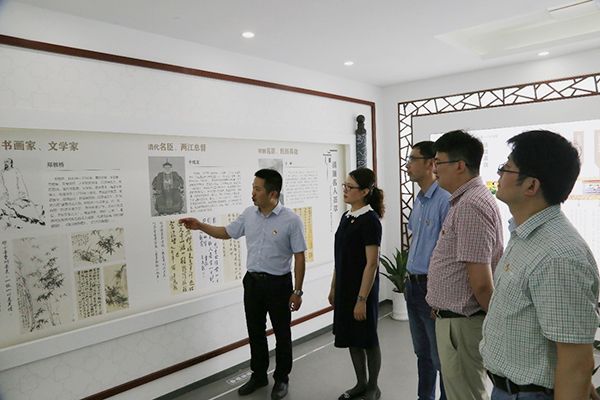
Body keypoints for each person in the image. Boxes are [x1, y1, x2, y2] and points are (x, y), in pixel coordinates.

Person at [480, 130, 600, 400]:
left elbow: (576, 363)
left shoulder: (558, 256)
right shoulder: (526, 234)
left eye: (506, 168)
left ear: (531, 186)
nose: (499, 175)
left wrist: (576, 385)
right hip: (510, 389)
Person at [179, 169, 306, 400]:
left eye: (258, 189)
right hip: (253, 283)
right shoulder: (249, 214)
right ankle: (259, 375)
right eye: (253, 188)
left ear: (273, 193)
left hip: (279, 285)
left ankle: (281, 379)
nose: (253, 193)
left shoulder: (291, 220)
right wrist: (200, 225)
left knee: (282, 334)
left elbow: (299, 257)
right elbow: (226, 232)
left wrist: (297, 291)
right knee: (255, 332)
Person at [426, 130, 503, 400]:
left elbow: (481, 283)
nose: (434, 169)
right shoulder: (467, 200)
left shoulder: (471, 205)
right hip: (455, 319)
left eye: (439, 162)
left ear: (460, 165)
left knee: (466, 394)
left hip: (463, 323)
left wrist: (496, 324)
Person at [328, 167, 384, 400]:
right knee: (352, 337)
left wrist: (361, 300)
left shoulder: (370, 221)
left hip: (363, 289)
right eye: (345, 186)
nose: (345, 190)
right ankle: (360, 383)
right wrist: (334, 287)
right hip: (345, 288)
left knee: (367, 339)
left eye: (350, 187)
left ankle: (373, 386)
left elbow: (371, 264)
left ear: (364, 192)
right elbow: (340, 257)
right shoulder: (347, 217)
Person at [405, 141, 450, 400]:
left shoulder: (445, 200)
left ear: (431, 163)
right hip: (412, 284)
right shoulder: (420, 200)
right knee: (422, 353)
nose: (408, 165)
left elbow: (447, 252)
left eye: (413, 159)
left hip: (431, 286)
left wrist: (438, 293)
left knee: (440, 356)